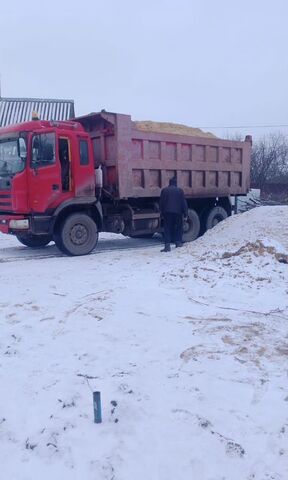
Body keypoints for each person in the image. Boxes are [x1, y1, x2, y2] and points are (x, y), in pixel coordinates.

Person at [159, 176, 188, 252]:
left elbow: (161, 203)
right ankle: (178, 243)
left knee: (167, 228)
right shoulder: (180, 191)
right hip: (178, 213)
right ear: (176, 183)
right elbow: (183, 203)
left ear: (169, 183)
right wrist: (185, 213)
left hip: (167, 213)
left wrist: (161, 213)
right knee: (178, 227)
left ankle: (167, 246)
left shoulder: (164, 190)